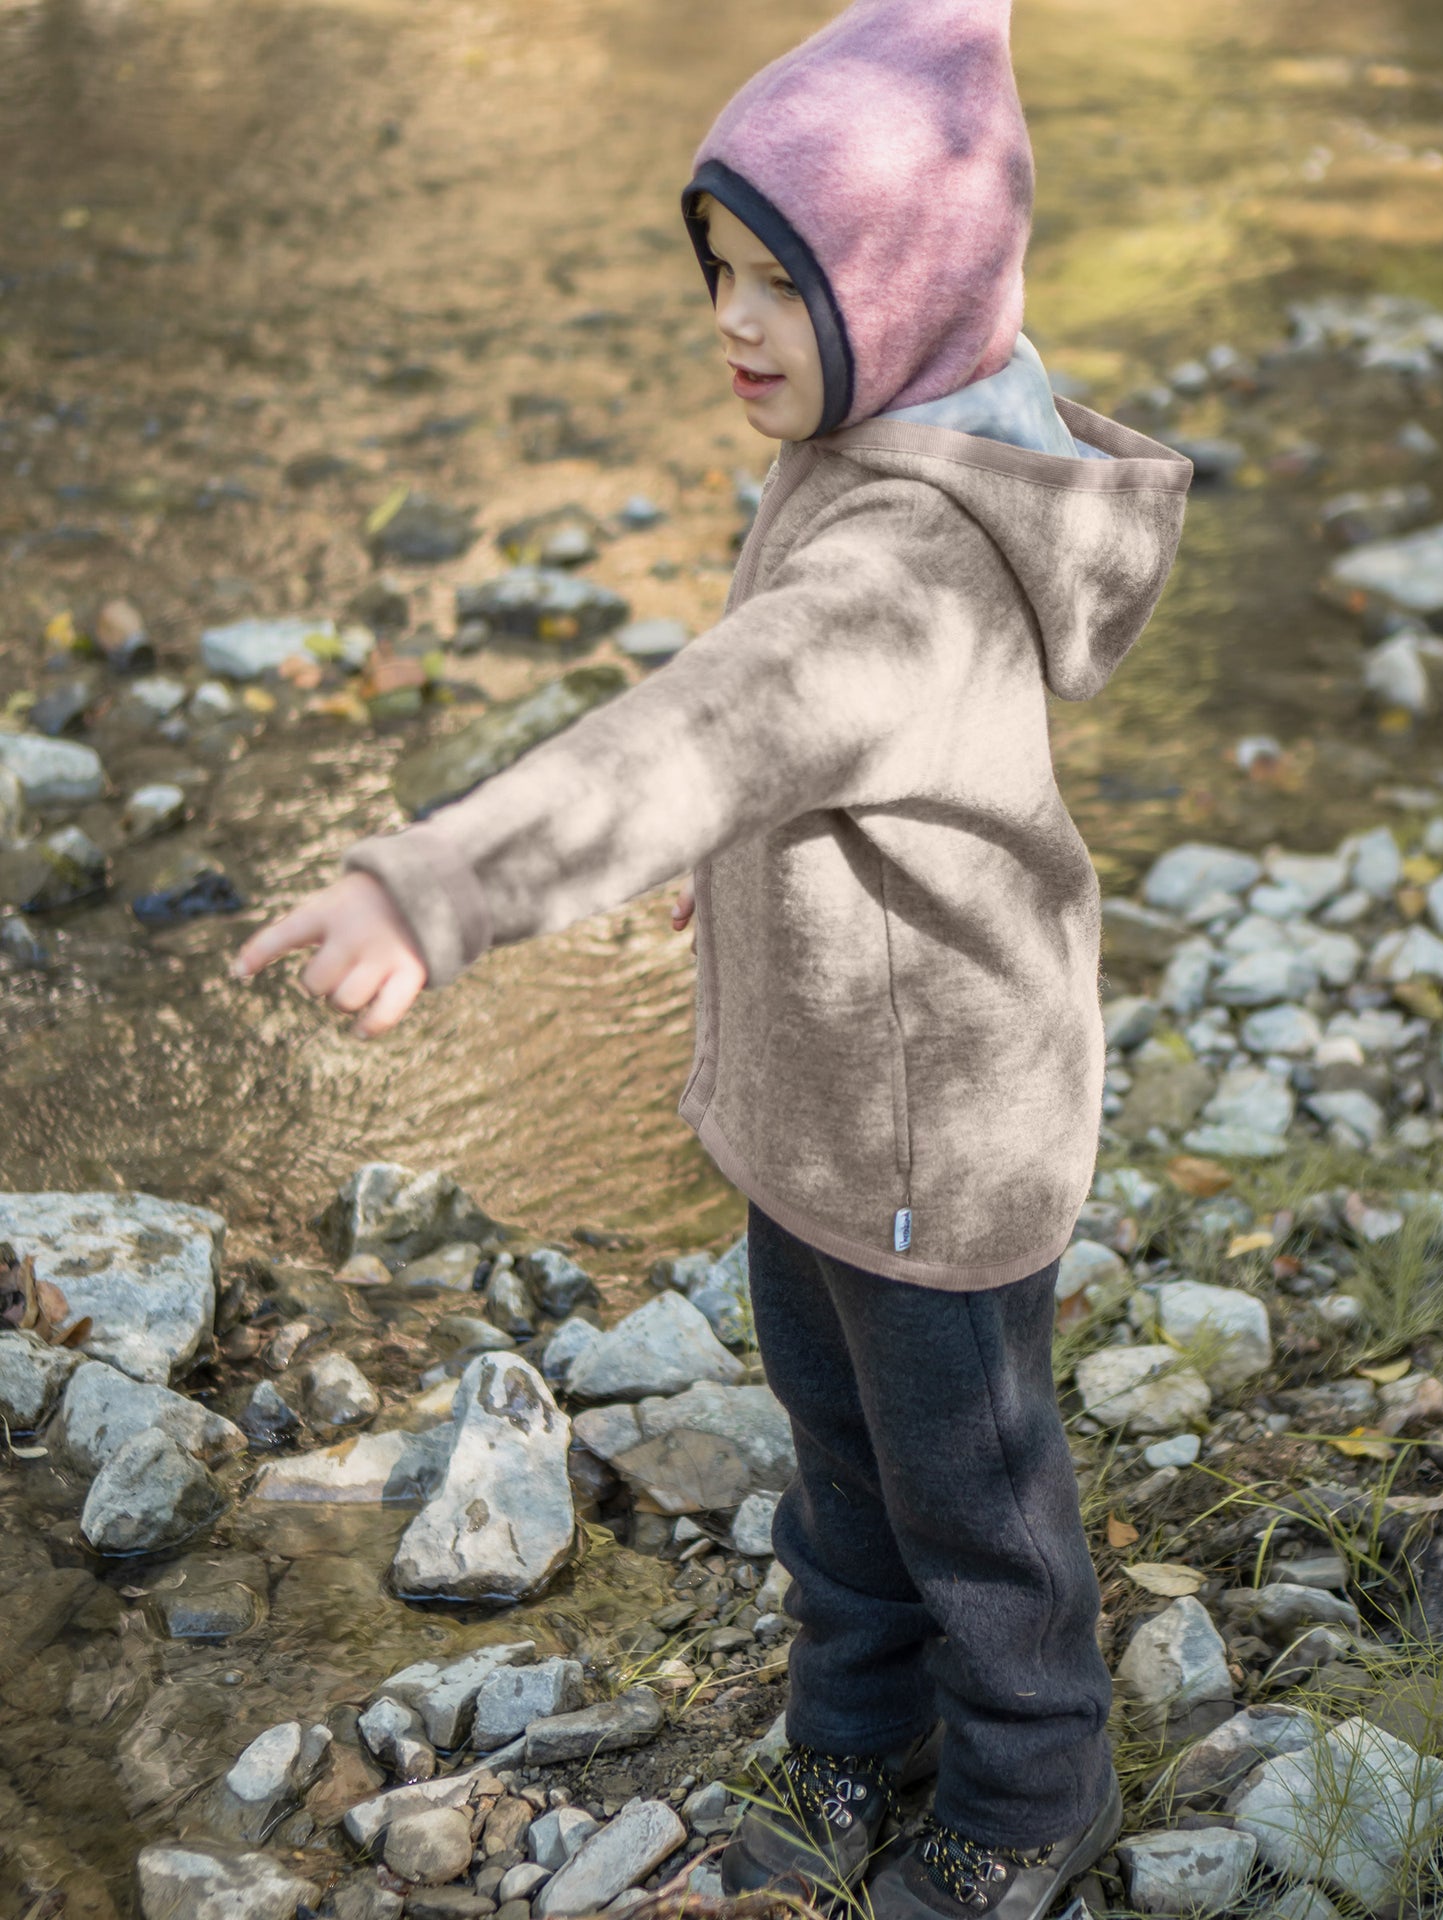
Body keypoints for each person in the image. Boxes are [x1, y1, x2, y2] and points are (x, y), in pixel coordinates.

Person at [234, 2, 1191, 1914]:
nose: (735, 324)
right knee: (840, 1467)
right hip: (825, 1107)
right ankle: (858, 1741)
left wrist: (438, 888)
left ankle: (1032, 1795)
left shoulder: (910, 564)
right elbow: (795, 758)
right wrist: (749, 867)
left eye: (785, 284)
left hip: (934, 1137)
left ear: (905, 295)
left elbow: (701, 730)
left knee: (969, 1498)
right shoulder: (867, 440)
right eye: (719, 272)